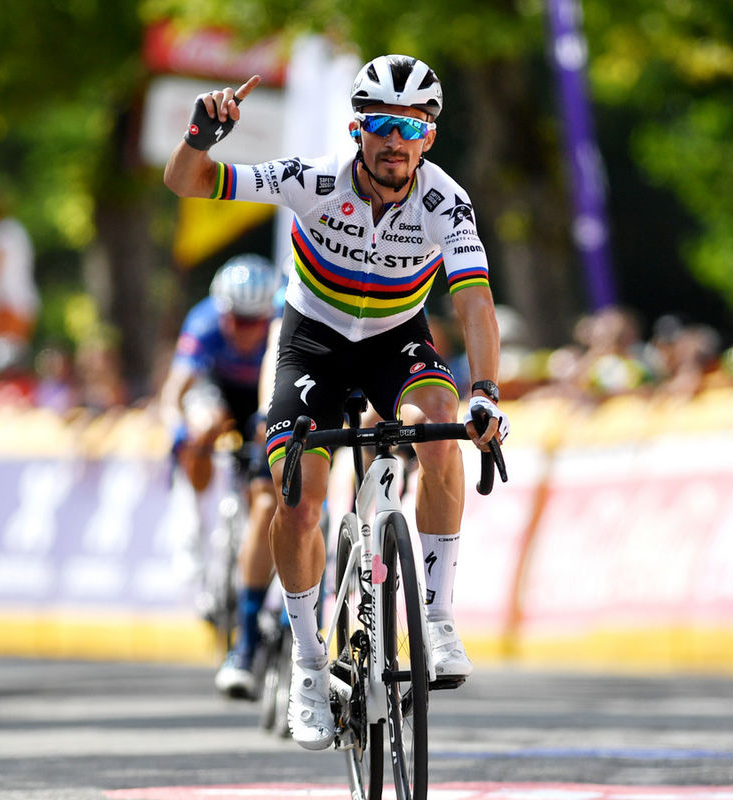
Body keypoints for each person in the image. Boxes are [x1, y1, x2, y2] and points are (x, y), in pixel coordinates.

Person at [163, 54, 509, 750]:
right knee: (299, 497)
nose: (394, 140)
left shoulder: (446, 200)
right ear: (357, 129)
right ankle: (309, 666)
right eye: (380, 124)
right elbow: (188, 182)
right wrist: (200, 138)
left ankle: (436, 621)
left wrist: (487, 394)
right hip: (312, 345)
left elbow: (473, 302)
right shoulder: (312, 180)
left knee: (439, 433)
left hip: (395, 342)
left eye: (411, 127)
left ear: (429, 138)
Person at [158, 254, 280, 699]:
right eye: (237, 320)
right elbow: (175, 391)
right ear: (220, 311)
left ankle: (252, 538)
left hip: (265, 395)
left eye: (256, 321)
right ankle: (199, 521)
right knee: (202, 427)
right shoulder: (204, 322)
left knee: (265, 484)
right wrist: (177, 429)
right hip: (219, 394)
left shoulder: (281, 318)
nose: (246, 329)